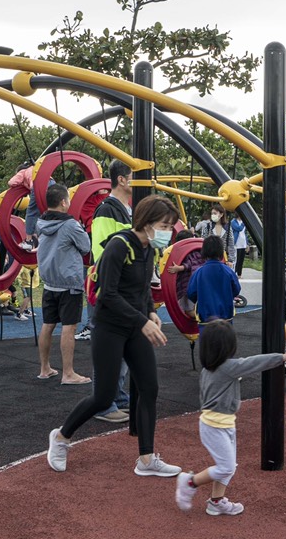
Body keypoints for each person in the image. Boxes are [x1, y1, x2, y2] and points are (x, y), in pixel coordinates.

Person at [46, 196, 184, 477]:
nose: (167, 232)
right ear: (145, 223)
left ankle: (146, 459)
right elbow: (107, 295)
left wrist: (151, 311)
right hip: (109, 327)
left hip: (135, 326)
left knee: (149, 388)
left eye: (170, 226)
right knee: (103, 395)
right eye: (163, 225)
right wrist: (142, 320)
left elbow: (143, 288)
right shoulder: (118, 247)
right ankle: (61, 437)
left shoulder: (148, 250)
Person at [174, 321, 286, 516]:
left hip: (220, 423)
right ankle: (190, 482)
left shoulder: (209, 369)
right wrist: (281, 357)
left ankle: (216, 501)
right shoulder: (228, 367)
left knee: (229, 466)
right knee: (226, 466)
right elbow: (252, 363)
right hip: (215, 425)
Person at [84, 160, 135, 420]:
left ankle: (117, 395)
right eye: (134, 176)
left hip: (120, 287)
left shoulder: (125, 210)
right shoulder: (107, 210)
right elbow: (104, 251)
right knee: (107, 347)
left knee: (122, 345)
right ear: (122, 180)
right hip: (108, 288)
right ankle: (103, 403)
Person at [36, 182, 92, 385]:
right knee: (69, 327)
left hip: (49, 282)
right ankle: (68, 373)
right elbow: (86, 248)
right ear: (63, 202)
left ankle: (45, 368)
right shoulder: (70, 225)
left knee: (48, 324)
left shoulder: (40, 222)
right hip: (69, 283)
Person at [188, 235, 242, 323]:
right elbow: (236, 289)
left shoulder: (199, 272)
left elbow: (191, 293)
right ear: (221, 252)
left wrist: (201, 298)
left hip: (206, 319)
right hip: (226, 318)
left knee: (207, 337)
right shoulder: (228, 271)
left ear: (204, 251)